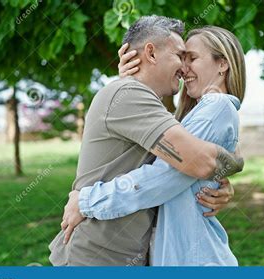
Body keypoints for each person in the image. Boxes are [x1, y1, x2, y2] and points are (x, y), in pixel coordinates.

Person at [49, 16, 243, 266]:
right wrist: (232, 163)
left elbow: (188, 165)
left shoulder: (139, 98)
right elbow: (199, 162)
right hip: (96, 257)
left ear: (222, 65)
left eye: (191, 58)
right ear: (151, 53)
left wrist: (225, 173)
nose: (184, 69)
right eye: (180, 56)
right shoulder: (128, 94)